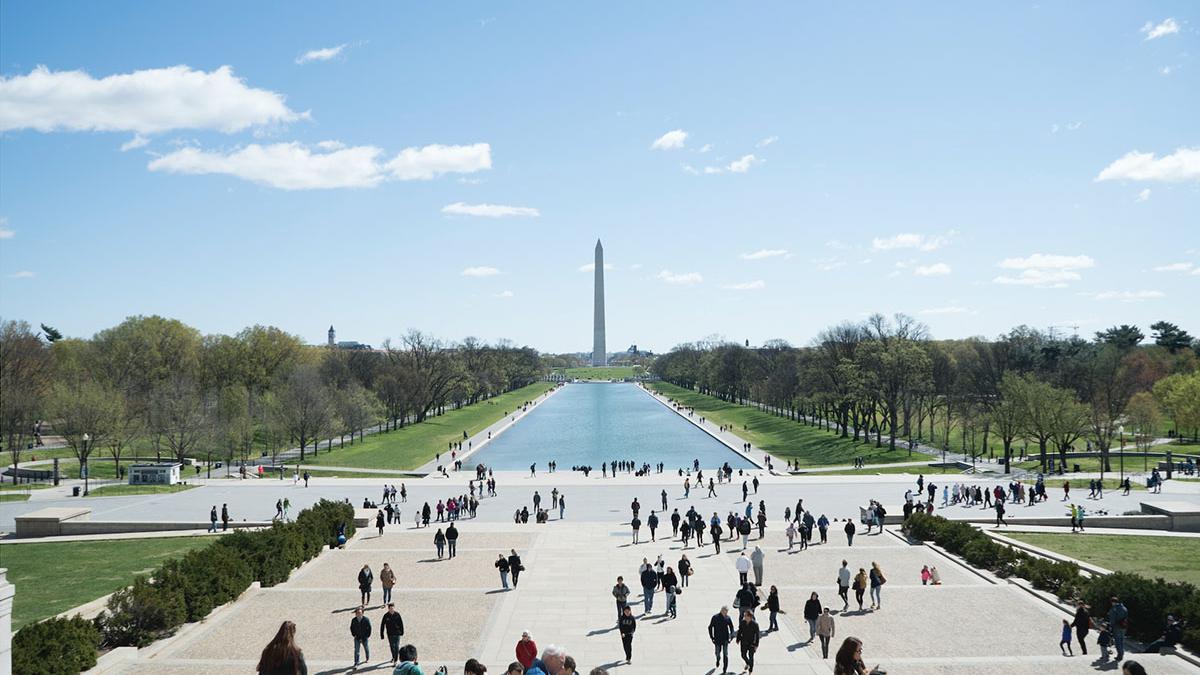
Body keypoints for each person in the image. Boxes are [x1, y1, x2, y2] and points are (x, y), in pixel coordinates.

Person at [709, 606, 735, 674]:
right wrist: (712, 637)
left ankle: (724, 669)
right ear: (721, 611)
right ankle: (718, 659)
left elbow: (731, 627)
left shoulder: (728, 618)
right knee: (717, 653)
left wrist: (732, 635)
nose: (726, 613)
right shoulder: (715, 617)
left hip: (725, 639)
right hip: (717, 639)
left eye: (727, 612)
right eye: (725, 611)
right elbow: (710, 627)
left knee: (725, 654)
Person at [736, 609, 760, 673]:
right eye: (744, 615)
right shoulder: (742, 622)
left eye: (745, 615)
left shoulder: (755, 624)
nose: (744, 617)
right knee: (743, 655)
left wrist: (756, 645)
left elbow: (757, 635)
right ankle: (748, 663)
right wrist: (738, 639)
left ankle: (750, 669)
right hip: (744, 642)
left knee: (751, 656)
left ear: (750, 616)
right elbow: (739, 631)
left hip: (752, 643)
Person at [1108, 596, 1129, 662]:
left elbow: (1112, 619)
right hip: (1123, 626)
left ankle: (1120, 655)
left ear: (1113, 602)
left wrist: (1111, 626)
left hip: (1117, 627)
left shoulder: (1114, 609)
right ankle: (1122, 653)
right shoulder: (1124, 608)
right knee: (1122, 640)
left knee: (1117, 641)